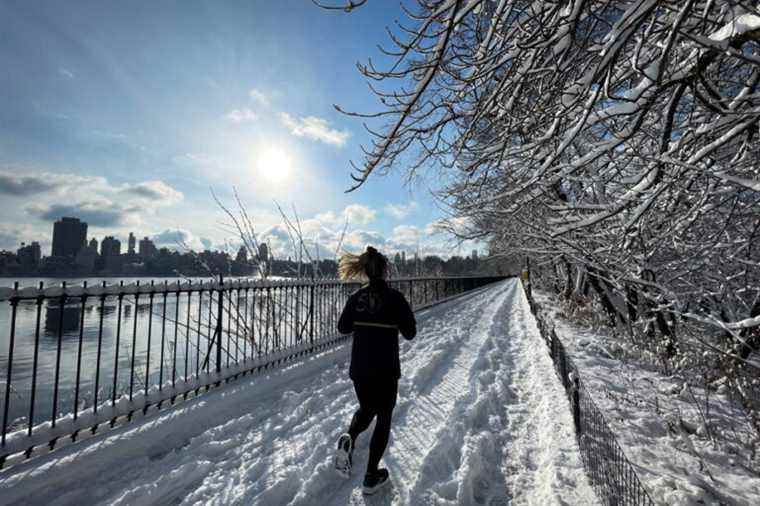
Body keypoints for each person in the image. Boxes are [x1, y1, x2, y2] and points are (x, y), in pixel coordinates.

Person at [334, 246, 417, 495]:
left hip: (360, 369)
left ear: (366, 271)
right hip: (386, 370)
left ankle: (349, 437)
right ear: (385, 271)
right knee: (384, 416)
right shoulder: (395, 298)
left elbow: (343, 327)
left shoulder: (356, 297)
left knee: (368, 407)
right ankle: (371, 476)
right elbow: (410, 333)